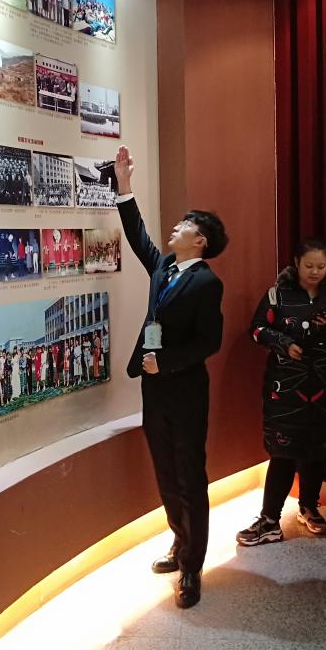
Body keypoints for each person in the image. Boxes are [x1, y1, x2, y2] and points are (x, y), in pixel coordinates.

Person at [113, 145, 228, 609]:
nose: (175, 227)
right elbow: (138, 236)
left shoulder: (207, 283)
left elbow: (209, 342)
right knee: (164, 471)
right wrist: (124, 186)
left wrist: (169, 362)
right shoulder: (164, 266)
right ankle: (180, 542)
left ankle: (193, 567)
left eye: (185, 225)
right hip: (154, 386)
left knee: (190, 475)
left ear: (200, 241)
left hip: (185, 390)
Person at [236, 240, 326, 546]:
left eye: (321, 266)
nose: (315, 272)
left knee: (316, 452)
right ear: (297, 263)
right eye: (309, 265)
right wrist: (283, 343)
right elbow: (256, 329)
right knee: (283, 453)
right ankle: (269, 520)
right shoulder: (277, 294)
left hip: (325, 387)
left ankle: (309, 507)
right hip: (285, 388)